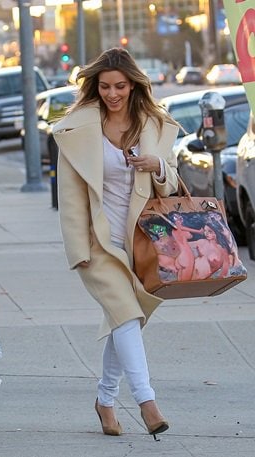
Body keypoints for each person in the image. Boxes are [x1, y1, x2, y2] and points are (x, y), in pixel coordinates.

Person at [53, 48, 180, 439]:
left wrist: (156, 166)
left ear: (133, 85)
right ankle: (147, 403)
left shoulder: (153, 124)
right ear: (95, 86)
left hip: (142, 240)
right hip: (99, 241)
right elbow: (71, 197)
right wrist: (79, 251)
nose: (112, 94)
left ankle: (105, 401)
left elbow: (172, 182)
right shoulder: (77, 130)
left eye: (120, 86)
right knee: (126, 315)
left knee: (126, 319)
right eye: (105, 86)